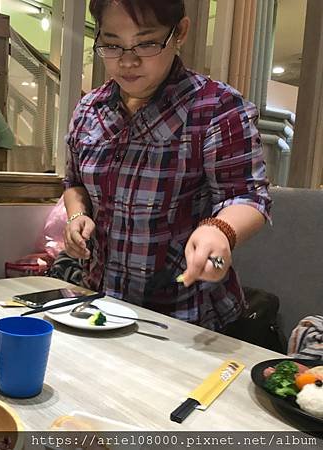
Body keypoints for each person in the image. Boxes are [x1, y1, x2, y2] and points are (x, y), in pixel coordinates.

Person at [63, 0, 271, 331]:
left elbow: (248, 196)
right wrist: (77, 215)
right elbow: (73, 182)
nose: (127, 61)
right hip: (104, 302)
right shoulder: (90, 109)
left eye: (146, 43)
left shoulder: (217, 107)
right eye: (113, 44)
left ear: (180, 33)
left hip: (189, 314)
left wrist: (219, 230)